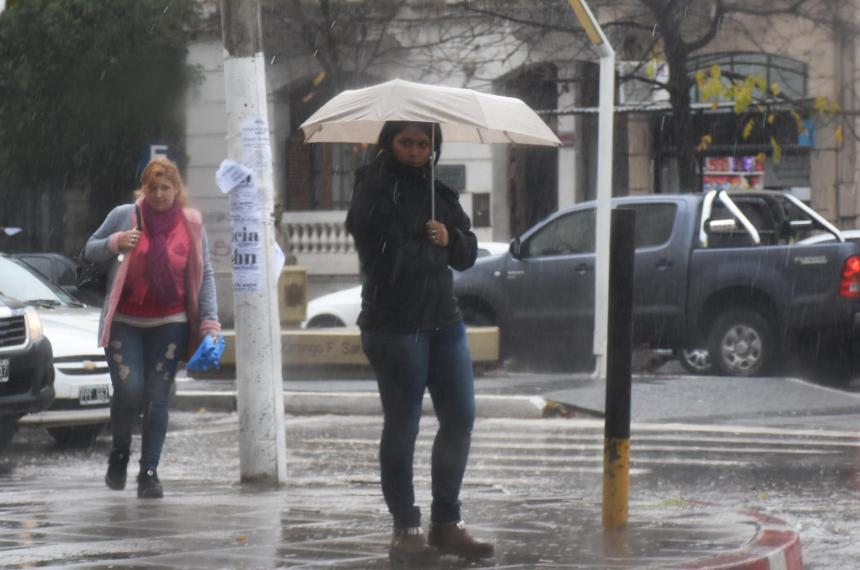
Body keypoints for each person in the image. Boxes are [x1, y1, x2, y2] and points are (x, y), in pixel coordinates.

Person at [346, 121, 494, 565]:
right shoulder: (372, 190)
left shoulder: (440, 193)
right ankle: (406, 528)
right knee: (403, 424)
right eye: (406, 142)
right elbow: (388, 258)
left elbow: (468, 253)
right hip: (394, 325)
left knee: (460, 417)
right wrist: (434, 247)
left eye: (423, 143)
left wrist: (449, 238)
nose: (414, 151)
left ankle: (447, 522)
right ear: (389, 143)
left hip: (443, 321)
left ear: (434, 146)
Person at [85, 157, 220, 499]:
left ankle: (149, 472)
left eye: (166, 188)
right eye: (153, 188)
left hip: (170, 323)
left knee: (158, 398)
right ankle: (119, 450)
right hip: (125, 322)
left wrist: (210, 321)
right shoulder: (125, 215)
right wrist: (116, 243)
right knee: (130, 391)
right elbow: (90, 249)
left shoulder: (191, 224)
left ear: (177, 190)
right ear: (143, 189)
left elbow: (205, 275)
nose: (159, 194)